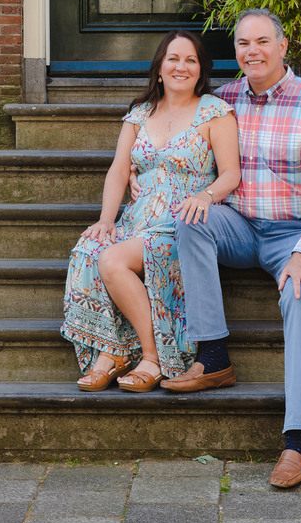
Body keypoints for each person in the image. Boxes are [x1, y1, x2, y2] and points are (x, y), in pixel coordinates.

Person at [162, 8, 301, 488]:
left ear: (282, 47)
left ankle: (298, 440)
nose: (253, 52)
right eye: (244, 44)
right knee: (189, 219)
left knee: (300, 297)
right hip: (241, 226)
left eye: (262, 42)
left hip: (293, 234)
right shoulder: (222, 100)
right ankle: (215, 354)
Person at [60, 30, 240, 393]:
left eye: (191, 60)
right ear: (159, 68)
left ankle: (152, 357)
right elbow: (117, 169)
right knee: (87, 250)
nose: (181, 66)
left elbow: (231, 173)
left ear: (201, 71)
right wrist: (107, 220)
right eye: (173, 58)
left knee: (111, 261)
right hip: (136, 218)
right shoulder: (139, 114)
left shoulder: (215, 112)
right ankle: (111, 354)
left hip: (179, 223)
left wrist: (205, 196)